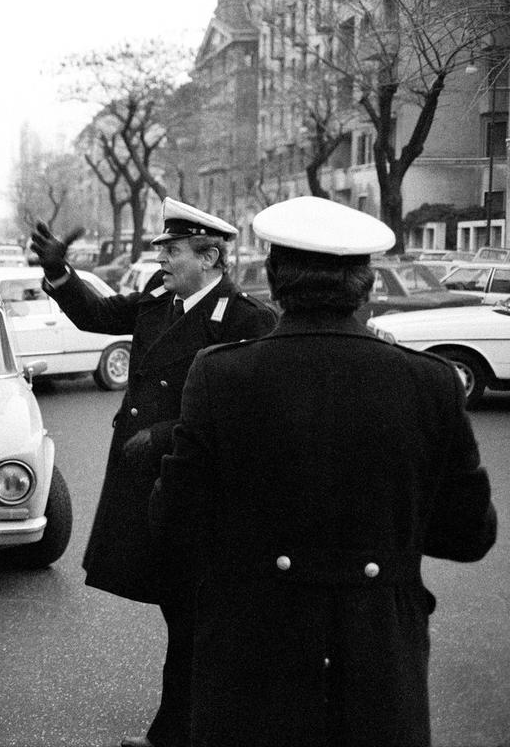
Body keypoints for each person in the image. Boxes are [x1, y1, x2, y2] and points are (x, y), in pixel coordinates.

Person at [149, 197, 497, 747]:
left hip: (252, 656)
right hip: (378, 658)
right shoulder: (430, 382)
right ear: (366, 282)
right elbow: (469, 535)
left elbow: (174, 524)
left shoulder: (221, 375)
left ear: (273, 277)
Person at [30, 199, 277, 747]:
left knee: (193, 613)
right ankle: (191, 725)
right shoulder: (162, 301)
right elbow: (97, 316)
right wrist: (58, 273)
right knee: (182, 610)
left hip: (200, 490)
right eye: (162, 249)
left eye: (173, 250)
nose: (161, 259)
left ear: (211, 257)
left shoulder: (246, 319)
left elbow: (247, 412)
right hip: (153, 483)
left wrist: (165, 436)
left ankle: (180, 731)